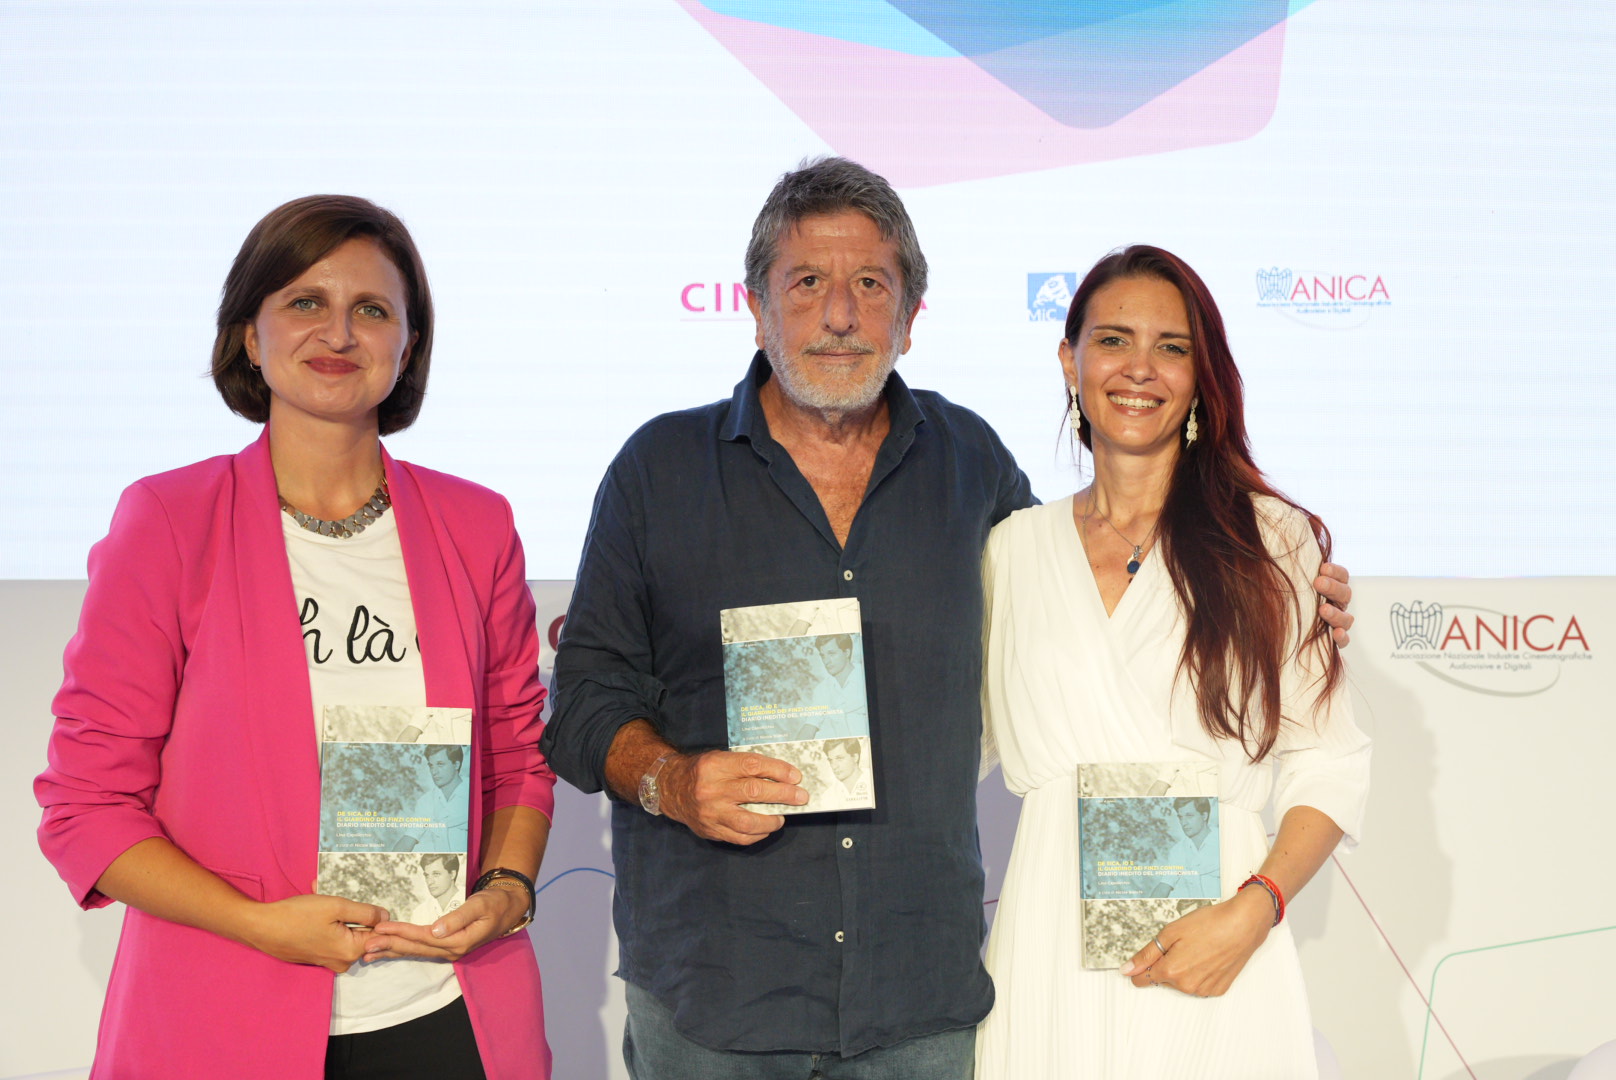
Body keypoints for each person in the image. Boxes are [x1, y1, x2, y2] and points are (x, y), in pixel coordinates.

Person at [541, 158, 1357, 1078]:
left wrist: (1286, 598)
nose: (840, 314)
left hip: (918, 1006)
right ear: (756, 304)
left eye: (870, 284)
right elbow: (583, 706)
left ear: (911, 316)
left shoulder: (971, 467)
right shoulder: (658, 471)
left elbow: (1102, 615)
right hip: (717, 998)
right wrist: (672, 780)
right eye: (806, 283)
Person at [35, 195, 556, 1080]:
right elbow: (87, 805)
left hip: (446, 1013)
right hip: (225, 1016)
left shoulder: (476, 524)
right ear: (251, 334)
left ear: (408, 347)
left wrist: (508, 890)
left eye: (372, 309)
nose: (339, 332)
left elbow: (516, 757)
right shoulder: (170, 521)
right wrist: (259, 924)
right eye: (306, 301)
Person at [974, 245, 1372, 1079]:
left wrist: (1256, 910)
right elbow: (947, 743)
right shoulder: (1011, 551)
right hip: (1048, 958)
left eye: (1172, 347)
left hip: (1217, 946)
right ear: (1070, 362)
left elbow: (1330, 761)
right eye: (1113, 340)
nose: (1139, 369)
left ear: (1200, 377)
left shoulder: (1269, 542)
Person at [394, 745, 472, 853]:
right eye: (431, 765)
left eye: (440, 764)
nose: (434, 772)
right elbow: (408, 839)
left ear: (456, 765)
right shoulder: (426, 801)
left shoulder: (474, 792)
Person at [412, 854, 465, 926]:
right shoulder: (419, 913)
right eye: (427, 875)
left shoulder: (469, 901)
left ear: (452, 874)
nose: (429, 882)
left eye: (436, 874)